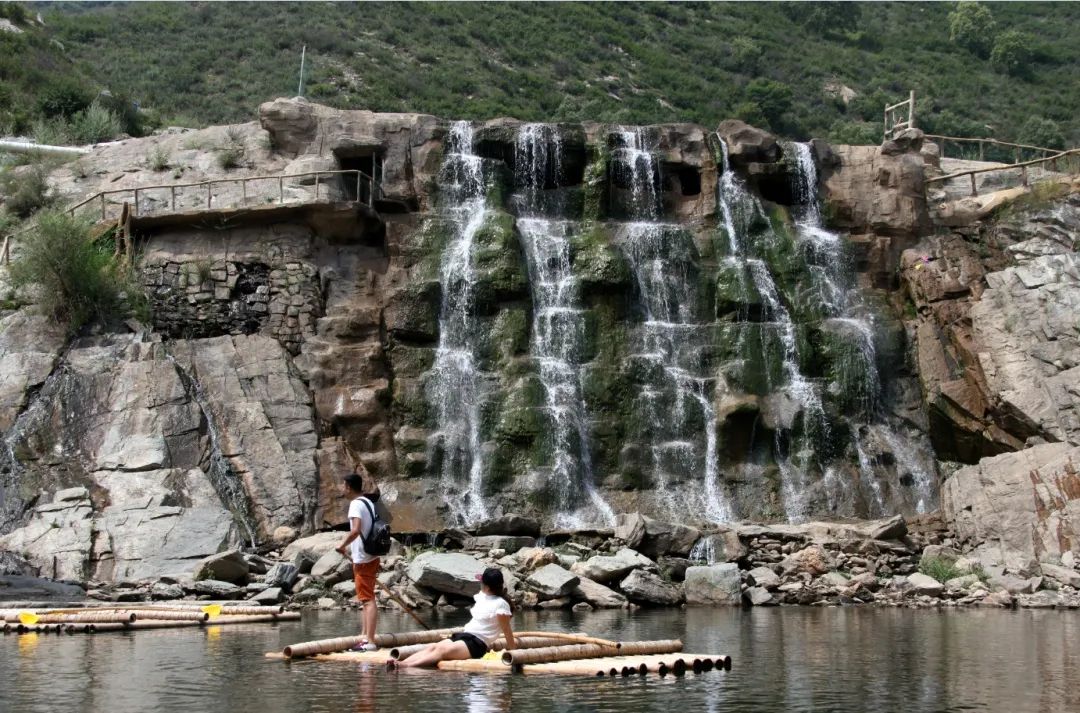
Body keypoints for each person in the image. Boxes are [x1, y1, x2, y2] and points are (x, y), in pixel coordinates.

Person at [388, 567, 515, 669]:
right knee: (434, 647)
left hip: (477, 643)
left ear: (487, 586)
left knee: (442, 651)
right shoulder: (483, 596)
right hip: (465, 635)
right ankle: (402, 661)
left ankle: (405, 666)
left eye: (482, 582)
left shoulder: (501, 604)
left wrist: (513, 652)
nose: (480, 584)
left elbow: (506, 630)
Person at [336, 472, 380, 652]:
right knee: (365, 599)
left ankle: (369, 642)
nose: (341, 488)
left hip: (363, 558)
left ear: (348, 486)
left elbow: (355, 531)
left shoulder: (355, 504)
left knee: (368, 600)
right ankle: (364, 635)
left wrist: (342, 545)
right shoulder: (367, 501)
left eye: (342, 485)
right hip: (372, 555)